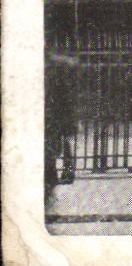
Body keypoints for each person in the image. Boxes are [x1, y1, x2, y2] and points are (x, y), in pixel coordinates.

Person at [46, 53, 78, 191]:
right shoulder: (63, 67)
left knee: (57, 142)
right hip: (60, 113)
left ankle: (56, 173)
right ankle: (64, 172)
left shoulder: (56, 68)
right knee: (61, 142)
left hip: (57, 113)